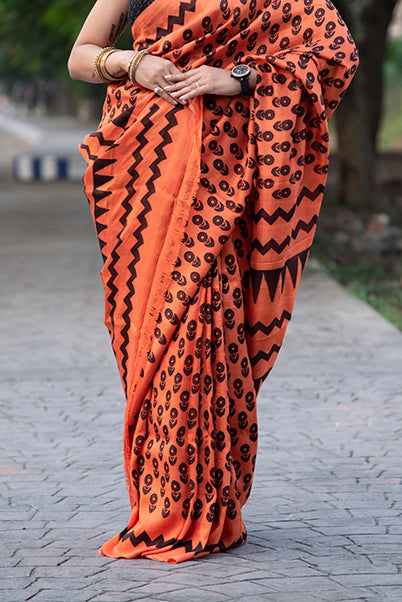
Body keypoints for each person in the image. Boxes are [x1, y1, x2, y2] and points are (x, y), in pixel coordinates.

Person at [68, 0, 358, 563]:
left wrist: (240, 77)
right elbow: (81, 57)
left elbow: (334, 56)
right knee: (149, 337)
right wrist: (135, 65)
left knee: (201, 328)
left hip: (228, 176)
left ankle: (202, 506)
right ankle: (161, 497)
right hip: (148, 171)